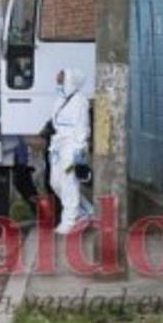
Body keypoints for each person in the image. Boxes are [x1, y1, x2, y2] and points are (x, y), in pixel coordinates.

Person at [47, 68, 92, 235]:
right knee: (55, 183)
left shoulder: (80, 101)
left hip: (72, 147)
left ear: (70, 81)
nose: (58, 82)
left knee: (69, 182)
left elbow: (82, 127)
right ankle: (85, 211)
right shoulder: (60, 99)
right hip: (59, 147)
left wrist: (79, 150)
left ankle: (70, 220)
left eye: (61, 79)